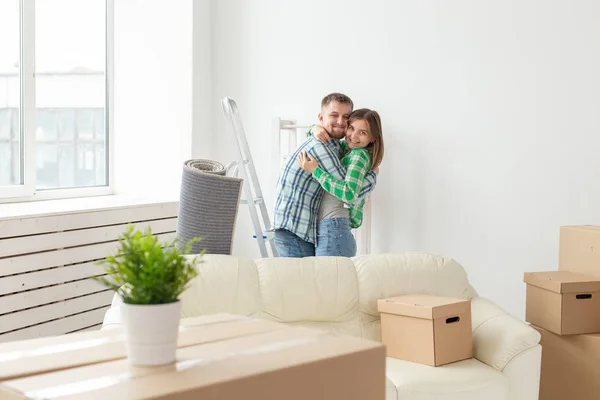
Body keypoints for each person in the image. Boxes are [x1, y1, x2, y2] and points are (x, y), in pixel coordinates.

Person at [272, 93, 377, 257]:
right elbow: (347, 193)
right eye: (334, 115)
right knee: (305, 282)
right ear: (321, 118)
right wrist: (372, 177)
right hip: (294, 231)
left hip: (299, 229)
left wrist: (313, 129)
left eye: (346, 117)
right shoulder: (323, 146)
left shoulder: (335, 145)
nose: (340, 122)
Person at [298, 108, 384, 257]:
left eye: (363, 132)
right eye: (351, 128)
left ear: (373, 138)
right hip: (331, 228)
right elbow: (321, 137)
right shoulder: (346, 148)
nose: (353, 136)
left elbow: (349, 194)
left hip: (335, 230)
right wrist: (314, 128)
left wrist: (315, 171)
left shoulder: (359, 155)